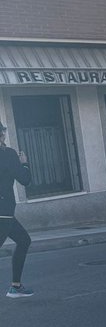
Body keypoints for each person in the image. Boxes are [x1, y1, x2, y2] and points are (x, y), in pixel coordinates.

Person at [0, 122, 33, 298]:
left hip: (6, 215)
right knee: (24, 241)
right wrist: (25, 163)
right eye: (3, 132)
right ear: (2, 134)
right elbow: (25, 179)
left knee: (24, 240)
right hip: (3, 212)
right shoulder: (8, 154)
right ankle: (16, 287)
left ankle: (16, 286)